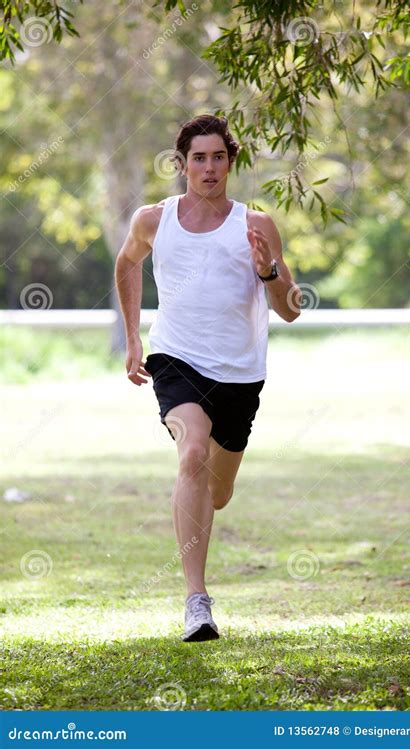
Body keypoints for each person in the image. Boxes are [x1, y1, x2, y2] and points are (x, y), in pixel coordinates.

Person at [115, 114, 301, 642]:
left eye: (218, 156)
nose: (209, 167)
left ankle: (209, 498)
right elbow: (128, 264)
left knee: (217, 493)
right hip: (176, 359)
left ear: (230, 162)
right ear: (182, 164)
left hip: (241, 374)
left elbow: (290, 311)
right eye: (199, 158)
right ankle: (197, 602)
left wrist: (268, 271)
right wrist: (133, 339)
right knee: (191, 451)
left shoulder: (257, 225)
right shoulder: (154, 220)